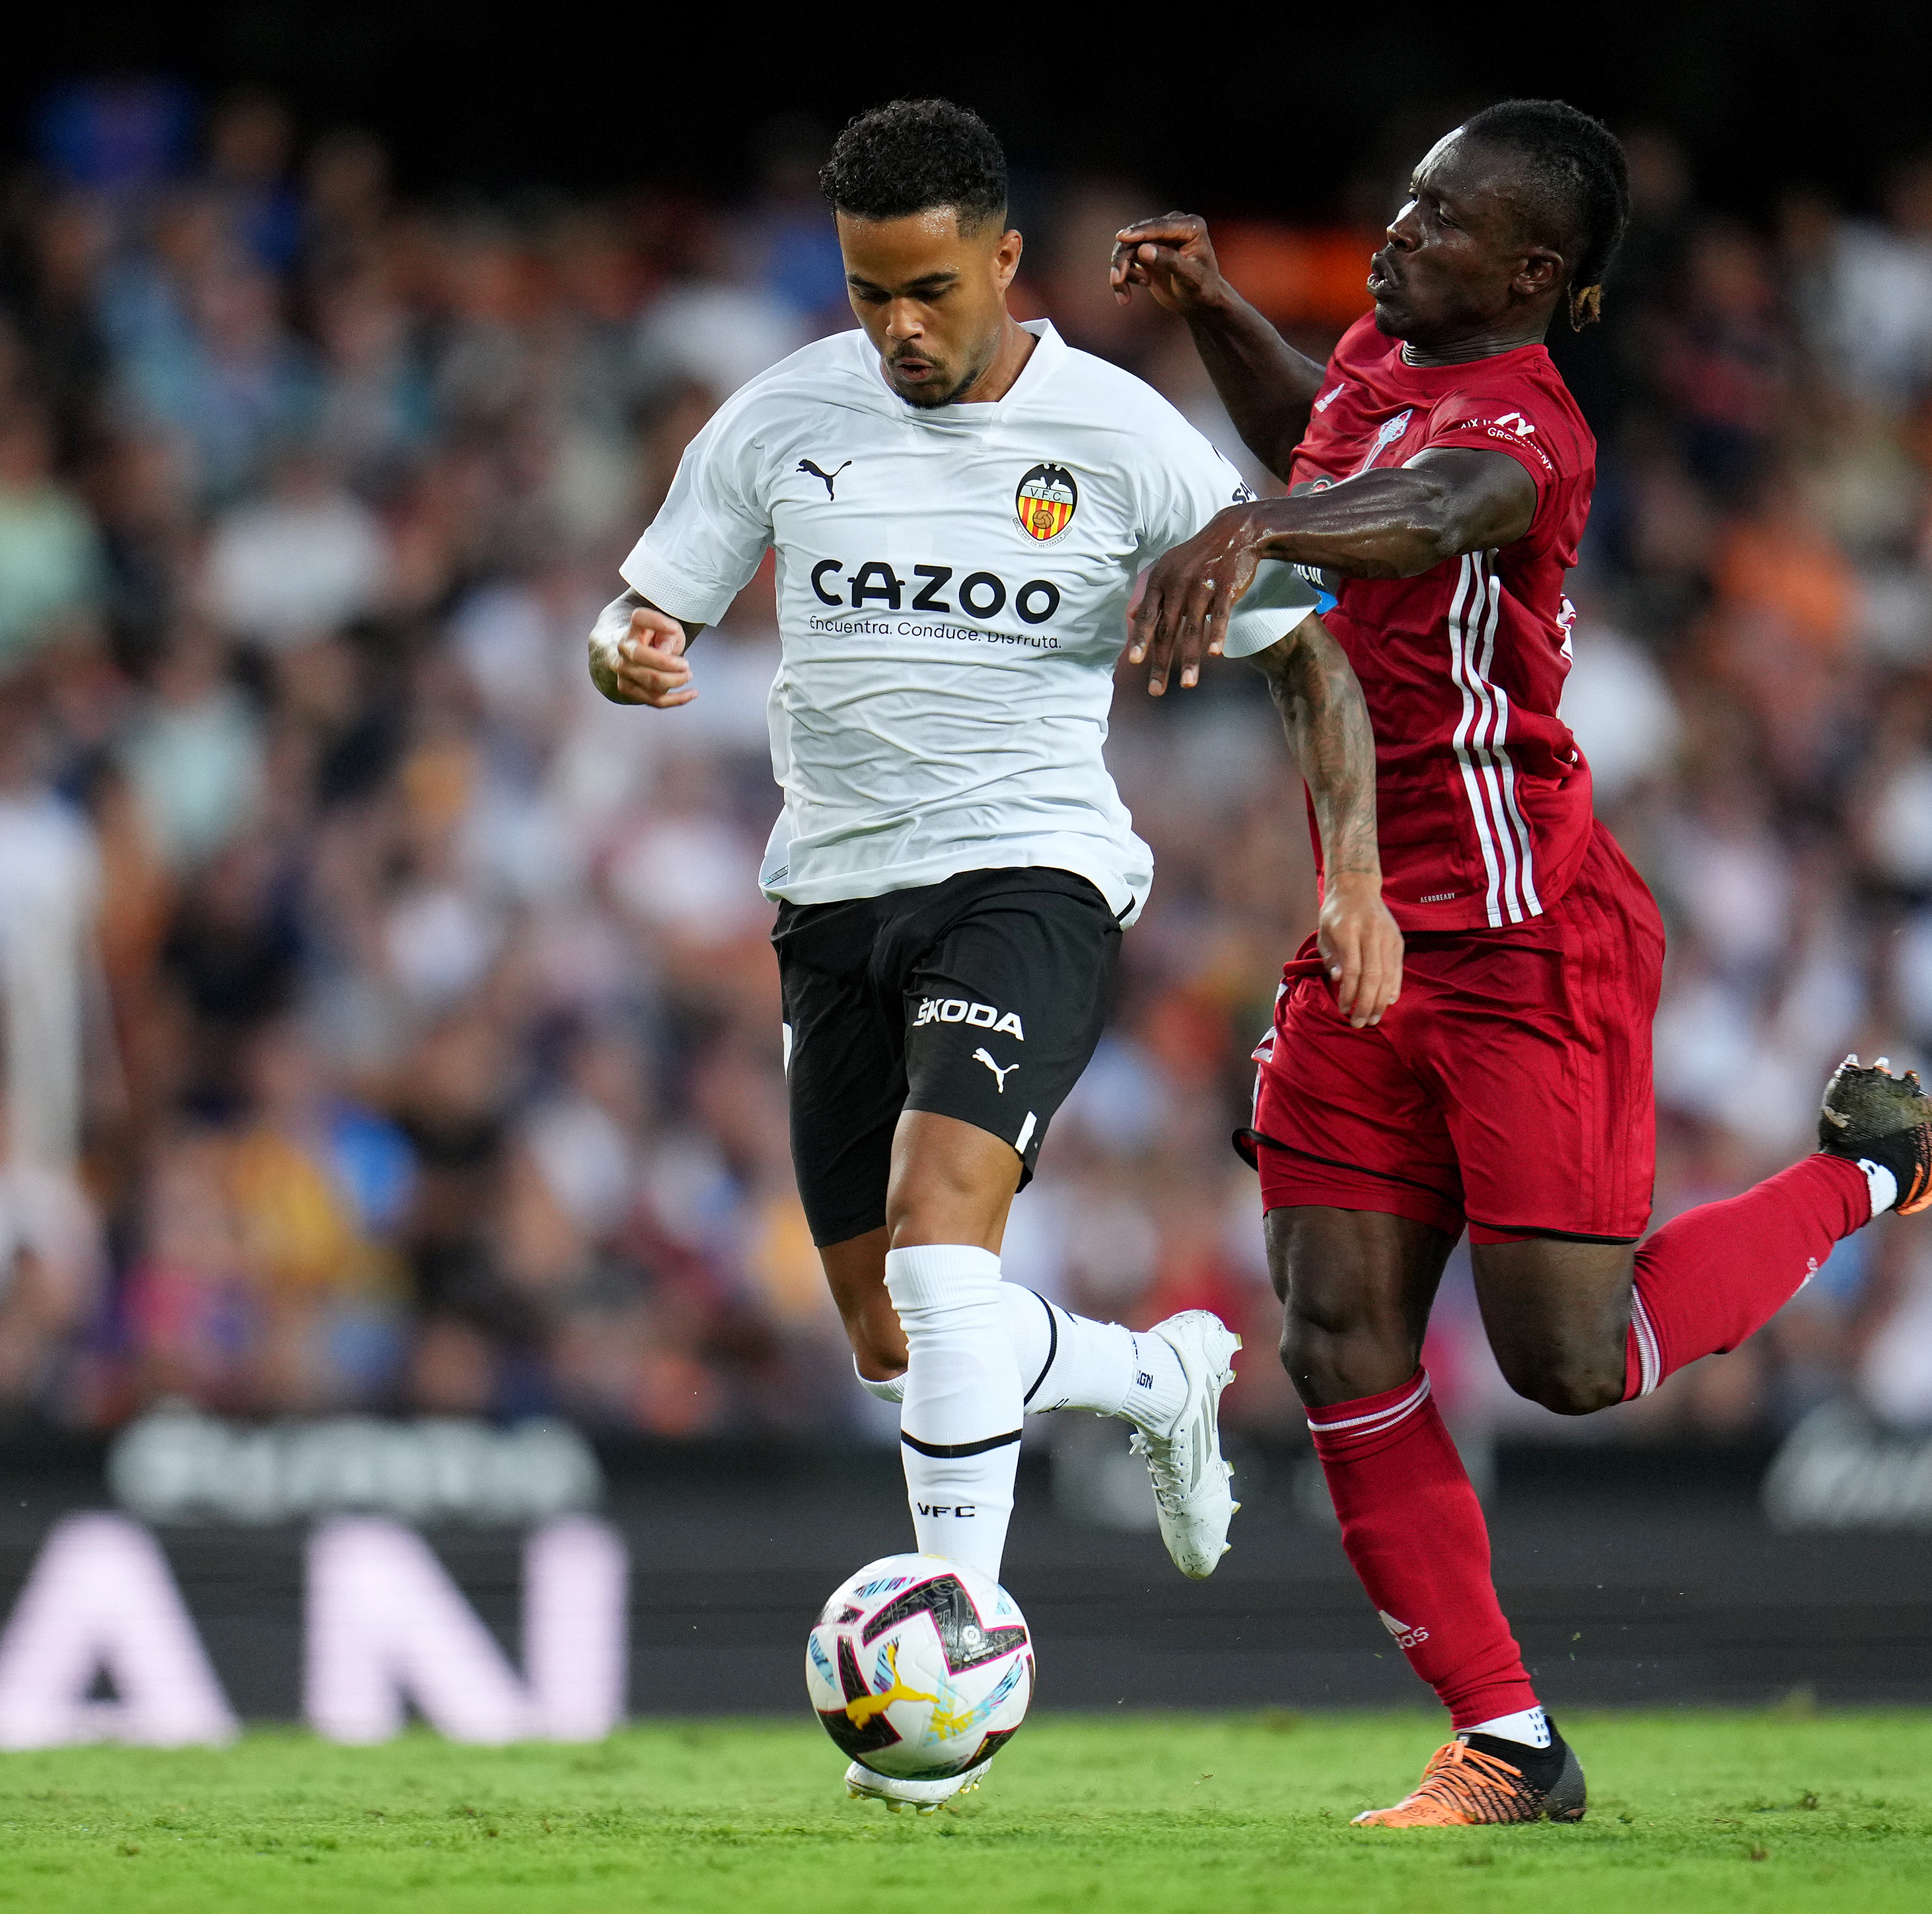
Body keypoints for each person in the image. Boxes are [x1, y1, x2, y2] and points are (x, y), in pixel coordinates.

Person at [1114, 99, 1932, 1827]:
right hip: (1362, 922)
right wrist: (1212, 305)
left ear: (1533, 270)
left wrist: (1257, 533)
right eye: (1405, 199)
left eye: (1439, 216)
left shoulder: (1528, 432)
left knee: (1567, 1360)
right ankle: (1509, 1739)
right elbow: (1327, 450)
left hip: (1526, 938)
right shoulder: (1385, 363)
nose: (1397, 231)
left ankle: (1870, 1165)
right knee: (1333, 1334)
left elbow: (1414, 511)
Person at [590, 98, 1400, 1808]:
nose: (899, 326)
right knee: (897, 1338)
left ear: (1004, 261)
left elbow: (1305, 651)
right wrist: (631, 648)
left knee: (954, 1266)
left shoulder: (1123, 437)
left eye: (931, 291)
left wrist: (1356, 877)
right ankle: (1157, 1371)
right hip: (829, 904)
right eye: (871, 291)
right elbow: (644, 600)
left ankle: (948, 1690)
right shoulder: (782, 414)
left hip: (1027, 878)